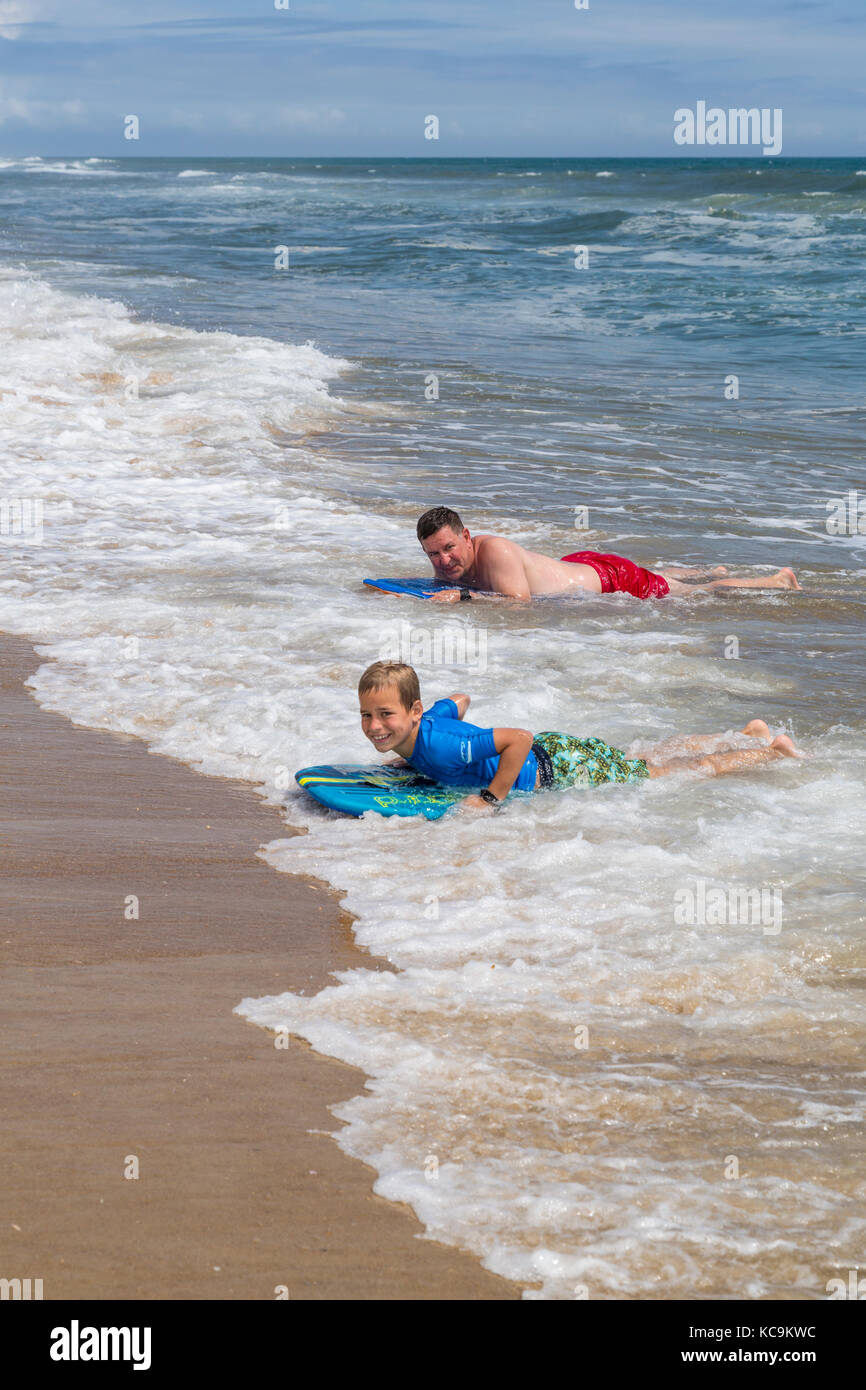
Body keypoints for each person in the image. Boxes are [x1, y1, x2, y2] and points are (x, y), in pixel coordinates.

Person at [358, 660, 803, 814]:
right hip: (562, 749)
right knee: (638, 757)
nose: (376, 726)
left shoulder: (440, 744)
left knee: (661, 773)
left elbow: (519, 738)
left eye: (386, 715)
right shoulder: (426, 725)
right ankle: (746, 733)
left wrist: (491, 799)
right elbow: (459, 699)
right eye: (367, 716)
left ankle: (769, 752)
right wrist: (408, 752)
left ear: (414, 711)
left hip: (558, 767)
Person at [414, 506, 801, 601]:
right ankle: (702, 567)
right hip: (577, 566)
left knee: (695, 592)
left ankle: (776, 579)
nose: (444, 561)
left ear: (467, 536)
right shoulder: (451, 565)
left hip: (612, 580)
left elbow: (518, 605)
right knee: (666, 576)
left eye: (449, 548)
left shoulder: (494, 550)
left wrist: (464, 597)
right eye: (433, 555)